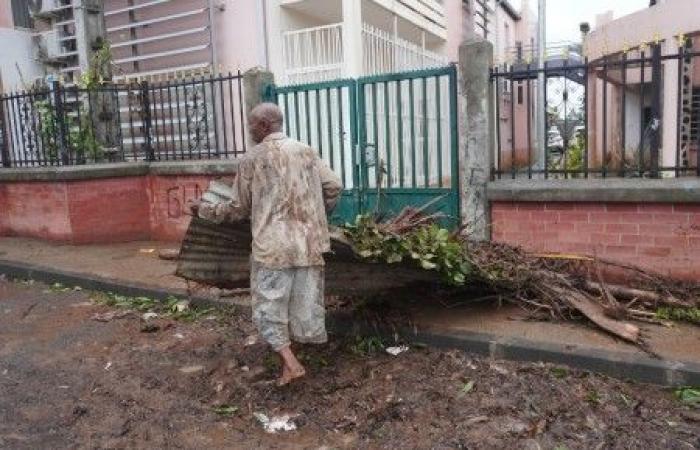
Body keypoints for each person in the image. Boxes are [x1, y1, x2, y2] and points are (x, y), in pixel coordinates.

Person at [192, 103, 342, 386]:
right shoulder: (306, 151)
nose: (249, 130)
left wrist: (204, 210)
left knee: (269, 308)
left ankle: (292, 364)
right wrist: (317, 217)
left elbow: (237, 207)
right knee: (302, 306)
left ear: (263, 126)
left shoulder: (252, 159)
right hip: (309, 245)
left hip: (272, 248)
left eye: (251, 125)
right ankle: (289, 364)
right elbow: (334, 187)